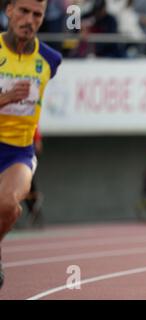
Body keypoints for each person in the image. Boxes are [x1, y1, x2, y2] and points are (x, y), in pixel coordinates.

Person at [0, 0, 62, 289]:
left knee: (9, 206)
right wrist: (4, 98)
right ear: (9, 10)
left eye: (37, 14)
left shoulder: (50, 59)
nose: (29, 19)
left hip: (17, 151)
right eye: (23, 11)